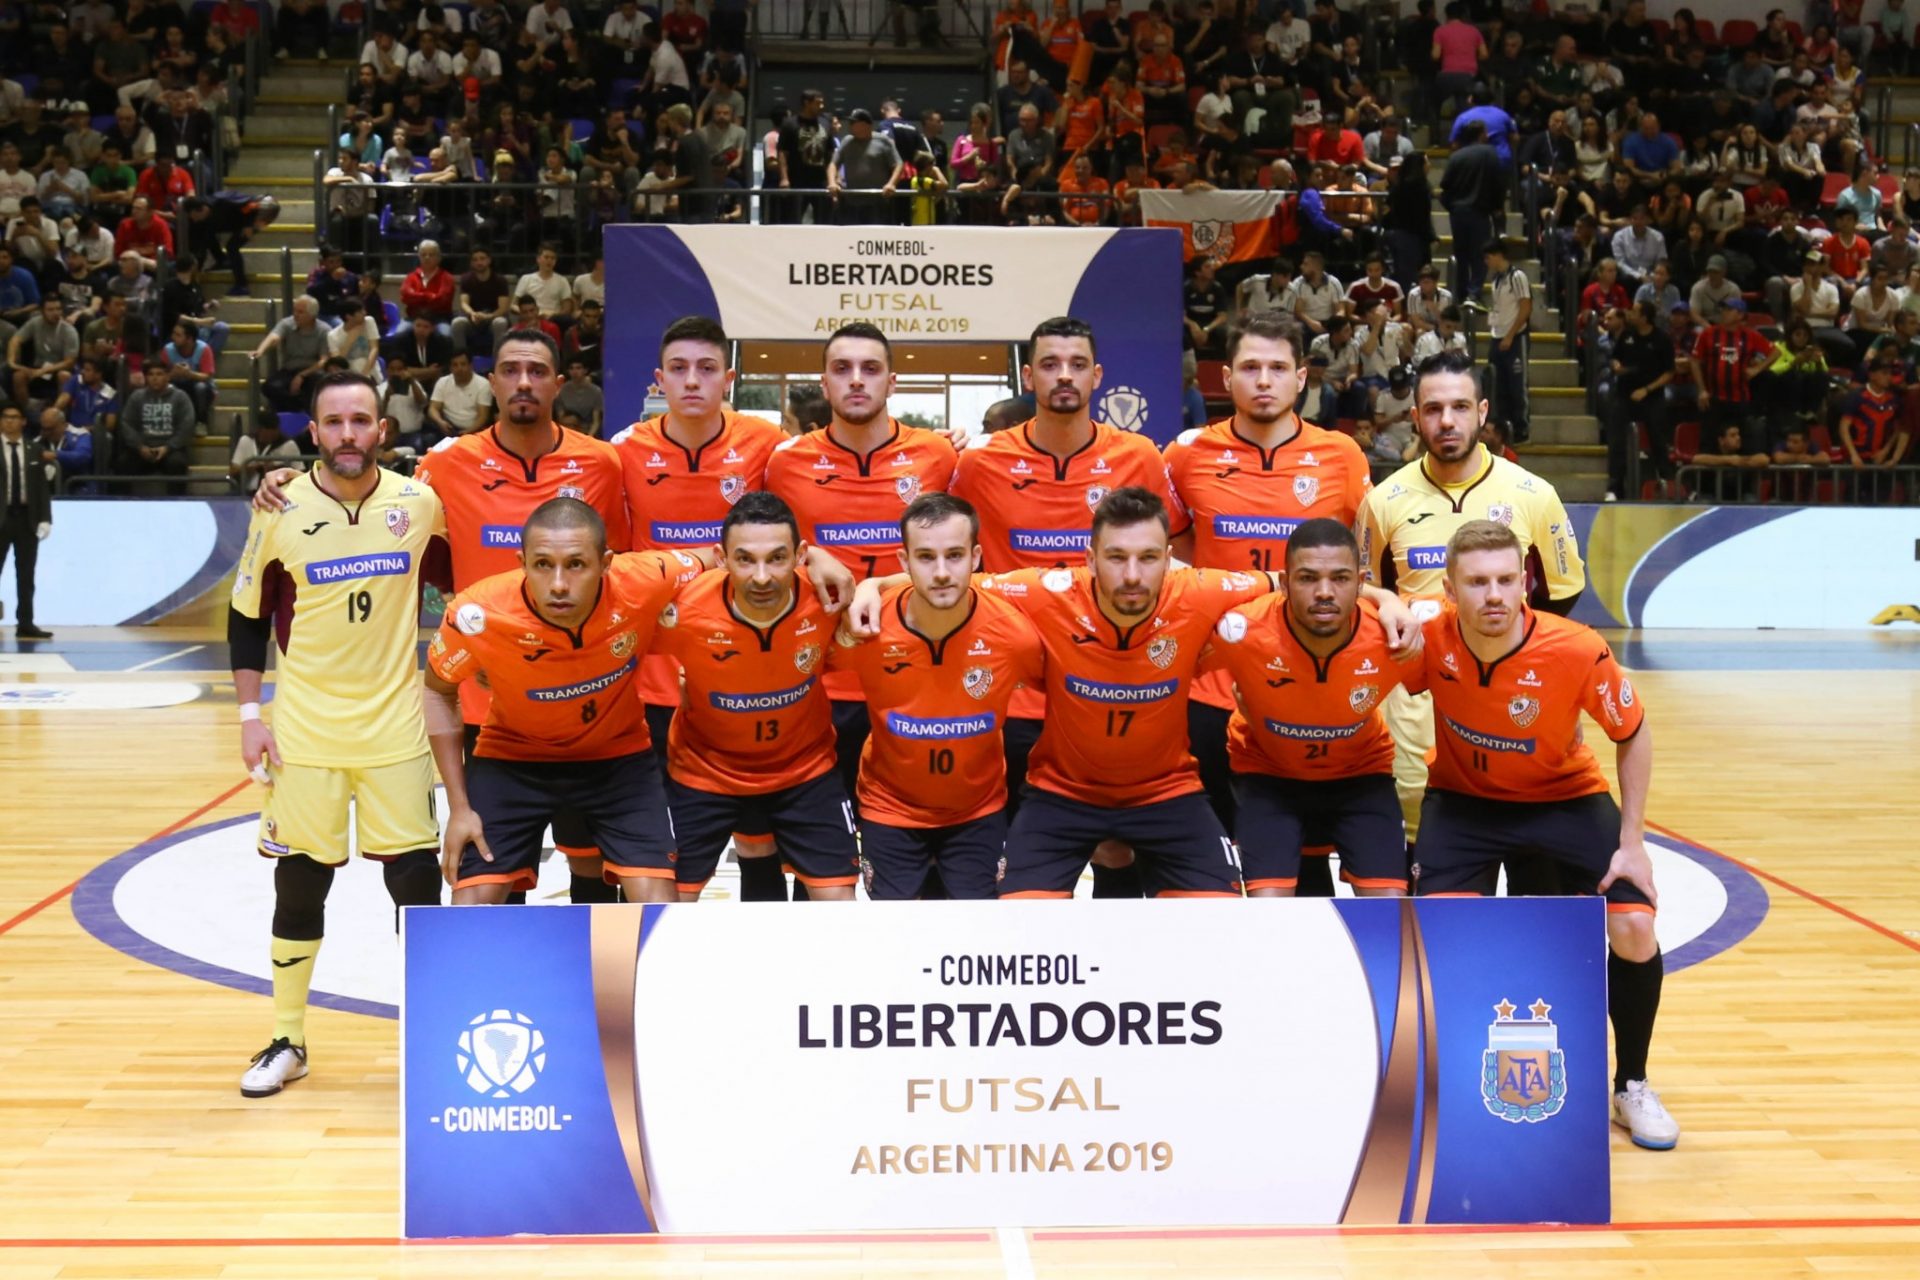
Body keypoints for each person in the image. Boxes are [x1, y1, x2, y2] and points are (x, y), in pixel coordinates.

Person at [255, 332, 634, 904]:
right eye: (509, 370)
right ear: (493, 383)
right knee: (497, 875)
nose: (524, 382)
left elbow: (622, 573)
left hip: (584, 701)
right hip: (490, 708)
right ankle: (507, 992)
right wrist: (292, 482)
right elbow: (376, 493)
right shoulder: (448, 464)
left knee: (592, 871)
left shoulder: (603, 463)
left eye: (537, 371)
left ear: (560, 383)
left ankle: (586, 993)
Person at [851, 487, 1269, 898]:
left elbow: (1290, 585)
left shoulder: (1201, 590)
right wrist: (873, 586)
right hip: (1062, 793)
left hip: (1168, 791)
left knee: (1219, 924)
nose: (1132, 575)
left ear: (1169, 561)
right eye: (1116, 557)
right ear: (1090, 559)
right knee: (1017, 926)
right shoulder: (1045, 590)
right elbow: (949, 580)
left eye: (1148, 558)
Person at [1406, 518, 1676, 1152]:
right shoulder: (1428, 637)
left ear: (1526, 581)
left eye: (1506, 579)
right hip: (1464, 803)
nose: (1494, 595)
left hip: (1565, 800)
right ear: (1450, 587)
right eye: (1476, 582)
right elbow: (1370, 608)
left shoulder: (1577, 649)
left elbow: (1633, 732)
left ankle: (1630, 1084)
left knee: (1635, 926)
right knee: (1439, 938)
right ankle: (1448, 1089)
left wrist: (1632, 841)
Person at [229, 370, 450, 1098]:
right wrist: (249, 718)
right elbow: (246, 618)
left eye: (361, 420)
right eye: (334, 422)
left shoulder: (419, 504)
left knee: (415, 888)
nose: (349, 434)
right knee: (299, 887)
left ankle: (430, 1037)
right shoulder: (280, 507)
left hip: (397, 730)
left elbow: (465, 584)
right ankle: (287, 1039)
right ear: (314, 432)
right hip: (305, 737)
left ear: (382, 429)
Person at [949, 316, 1185, 897]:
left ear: (1097, 375)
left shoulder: (1139, 457)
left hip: (1109, 687)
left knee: (1116, 848)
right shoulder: (980, 463)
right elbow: (946, 552)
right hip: (1007, 694)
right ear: (1029, 375)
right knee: (1002, 858)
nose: (1064, 376)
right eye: (1050, 364)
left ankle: (1120, 974)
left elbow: (1175, 557)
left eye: (1077, 364)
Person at [1162, 312, 1379, 869]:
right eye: (1251, 368)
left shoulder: (1343, 457)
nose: (1264, 380)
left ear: (1302, 379)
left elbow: (1365, 563)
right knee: (1211, 859)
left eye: (1278, 368)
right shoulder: (1185, 456)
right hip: (1210, 685)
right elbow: (1180, 558)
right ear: (1226, 376)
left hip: (1312, 687)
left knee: (1301, 861)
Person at [1355, 349, 1586, 857]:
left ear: (1482, 412)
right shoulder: (1383, 501)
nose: (1447, 421)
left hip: (1511, 699)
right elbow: (1367, 592)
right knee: (1427, 846)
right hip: (1418, 701)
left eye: (1460, 407)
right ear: (1415, 417)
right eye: (1433, 409)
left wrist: (1509, 661)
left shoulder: (1533, 494)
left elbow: (1562, 597)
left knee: (1531, 858)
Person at [426, 499, 707, 903]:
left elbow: (718, 557)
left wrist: (818, 556)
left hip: (618, 759)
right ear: (522, 562)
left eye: (576, 564)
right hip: (513, 760)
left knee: (660, 906)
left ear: (607, 562)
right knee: (471, 906)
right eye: (542, 564)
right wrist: (459, 807)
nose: (559, 583)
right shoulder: (479, 613)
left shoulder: (643, 578)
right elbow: (438, 689)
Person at [764, 322, 959, 823]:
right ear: (824, 384)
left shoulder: (939, 456)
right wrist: (809, 556)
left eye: (870, 369)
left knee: (921, 846)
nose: (856, 380)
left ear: (892, 383)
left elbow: (962, 560)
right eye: (841, 370)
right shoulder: (784, 463)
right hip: (819, 682)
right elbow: (761, 552)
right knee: (817, 855)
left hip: (920, 680)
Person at [828, 493, 1046, 899]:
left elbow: (1060, 691)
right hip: (889, 808)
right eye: (926, 557)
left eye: (955, 555)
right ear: (903, 560)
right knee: (898, 941)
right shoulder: (866, 626)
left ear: (977, 557)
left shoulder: (1014, 635)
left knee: (975, 938)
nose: (942, 572)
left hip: (978, 810)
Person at [651, 491, 862, 899]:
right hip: (704, 771)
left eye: (777, 558)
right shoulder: (682, 608)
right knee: (666, 903)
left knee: (838, 904)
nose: (762, 576)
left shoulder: (828, 600)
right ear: (721, 557)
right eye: (745, 559)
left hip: (805, 769)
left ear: (801, 555)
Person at [1200, 517, 1416, 896]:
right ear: (1284, 583)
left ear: (1360, 582)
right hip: (1268, 774)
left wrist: (1389, 598)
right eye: (1307, 578)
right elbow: (1165, 659)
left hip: (1360, 773)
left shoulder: (1395, 632)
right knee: (1271, 907)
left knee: (1390, 909)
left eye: (1340, 579)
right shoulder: (1242, 631)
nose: (1324, 592)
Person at [0, 402, 53, 639]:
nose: (9, 421)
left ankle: (26, 622)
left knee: (26, 574)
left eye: (14, 417)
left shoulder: (33, 449)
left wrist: (45, 518)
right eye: (5, 417)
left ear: (23, 421)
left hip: (26, 518)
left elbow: (41, 487)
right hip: (1, 517)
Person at [116, 357, 194, 490]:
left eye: (159, 374)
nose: (154, 378)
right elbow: (126, 423)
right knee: (122, 463)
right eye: (151, 374)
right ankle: (124, 505)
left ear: (168, 377)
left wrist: (168, 447)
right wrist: (140, 447)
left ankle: (177, 505)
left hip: (170, 450)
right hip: (142, 450)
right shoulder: (137, 396)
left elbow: (186, 425)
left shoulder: (180, 397)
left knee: (177, 464)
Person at [1484, 240, 1533, 444]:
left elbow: (1525, 307)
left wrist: (1511, 335)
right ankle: (1503, 428)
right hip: (1498, 335)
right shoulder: (1496, 280)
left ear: (1498, 255)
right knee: (1499, 385)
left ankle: (1521, 427)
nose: (1486, 262)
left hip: (1514, 336)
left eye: (1488, 257)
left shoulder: (1517, 277)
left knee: (1516, 384)